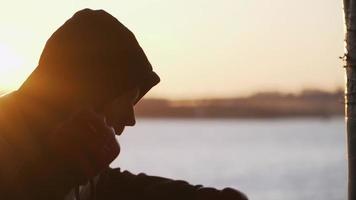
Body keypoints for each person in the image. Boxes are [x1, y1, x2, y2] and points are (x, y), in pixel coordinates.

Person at [0, 9, 248, 200]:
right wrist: (54, 175)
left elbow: (109, 186)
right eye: (126, 101)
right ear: (94, 93)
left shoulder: (67, 147)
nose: (131, 119)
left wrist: (196, 196)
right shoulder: (9, 138)